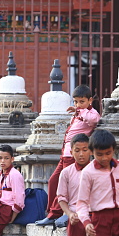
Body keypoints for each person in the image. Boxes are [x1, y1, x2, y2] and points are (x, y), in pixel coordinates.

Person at [36, 85, 100, 226]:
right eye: (75, 102)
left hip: (75, 156)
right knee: (53, 181)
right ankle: (52, 213)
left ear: (90, 100)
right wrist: (77, 111)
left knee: (65, 185)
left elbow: (94, 120)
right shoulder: (77, 114)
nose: (78, 105)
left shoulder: (90, 113)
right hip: (65, 154)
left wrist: (79, 111)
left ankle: (59, 213)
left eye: (81, 101)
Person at [56, 133, 93, 236]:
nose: (81, 154)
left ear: (91, 150)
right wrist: (69, 214)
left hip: (93, 218)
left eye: (85, 149)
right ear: (71, 152)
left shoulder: (98, 171)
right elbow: (61, 198)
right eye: (77, 151)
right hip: (75, 219)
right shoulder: (66, 173)